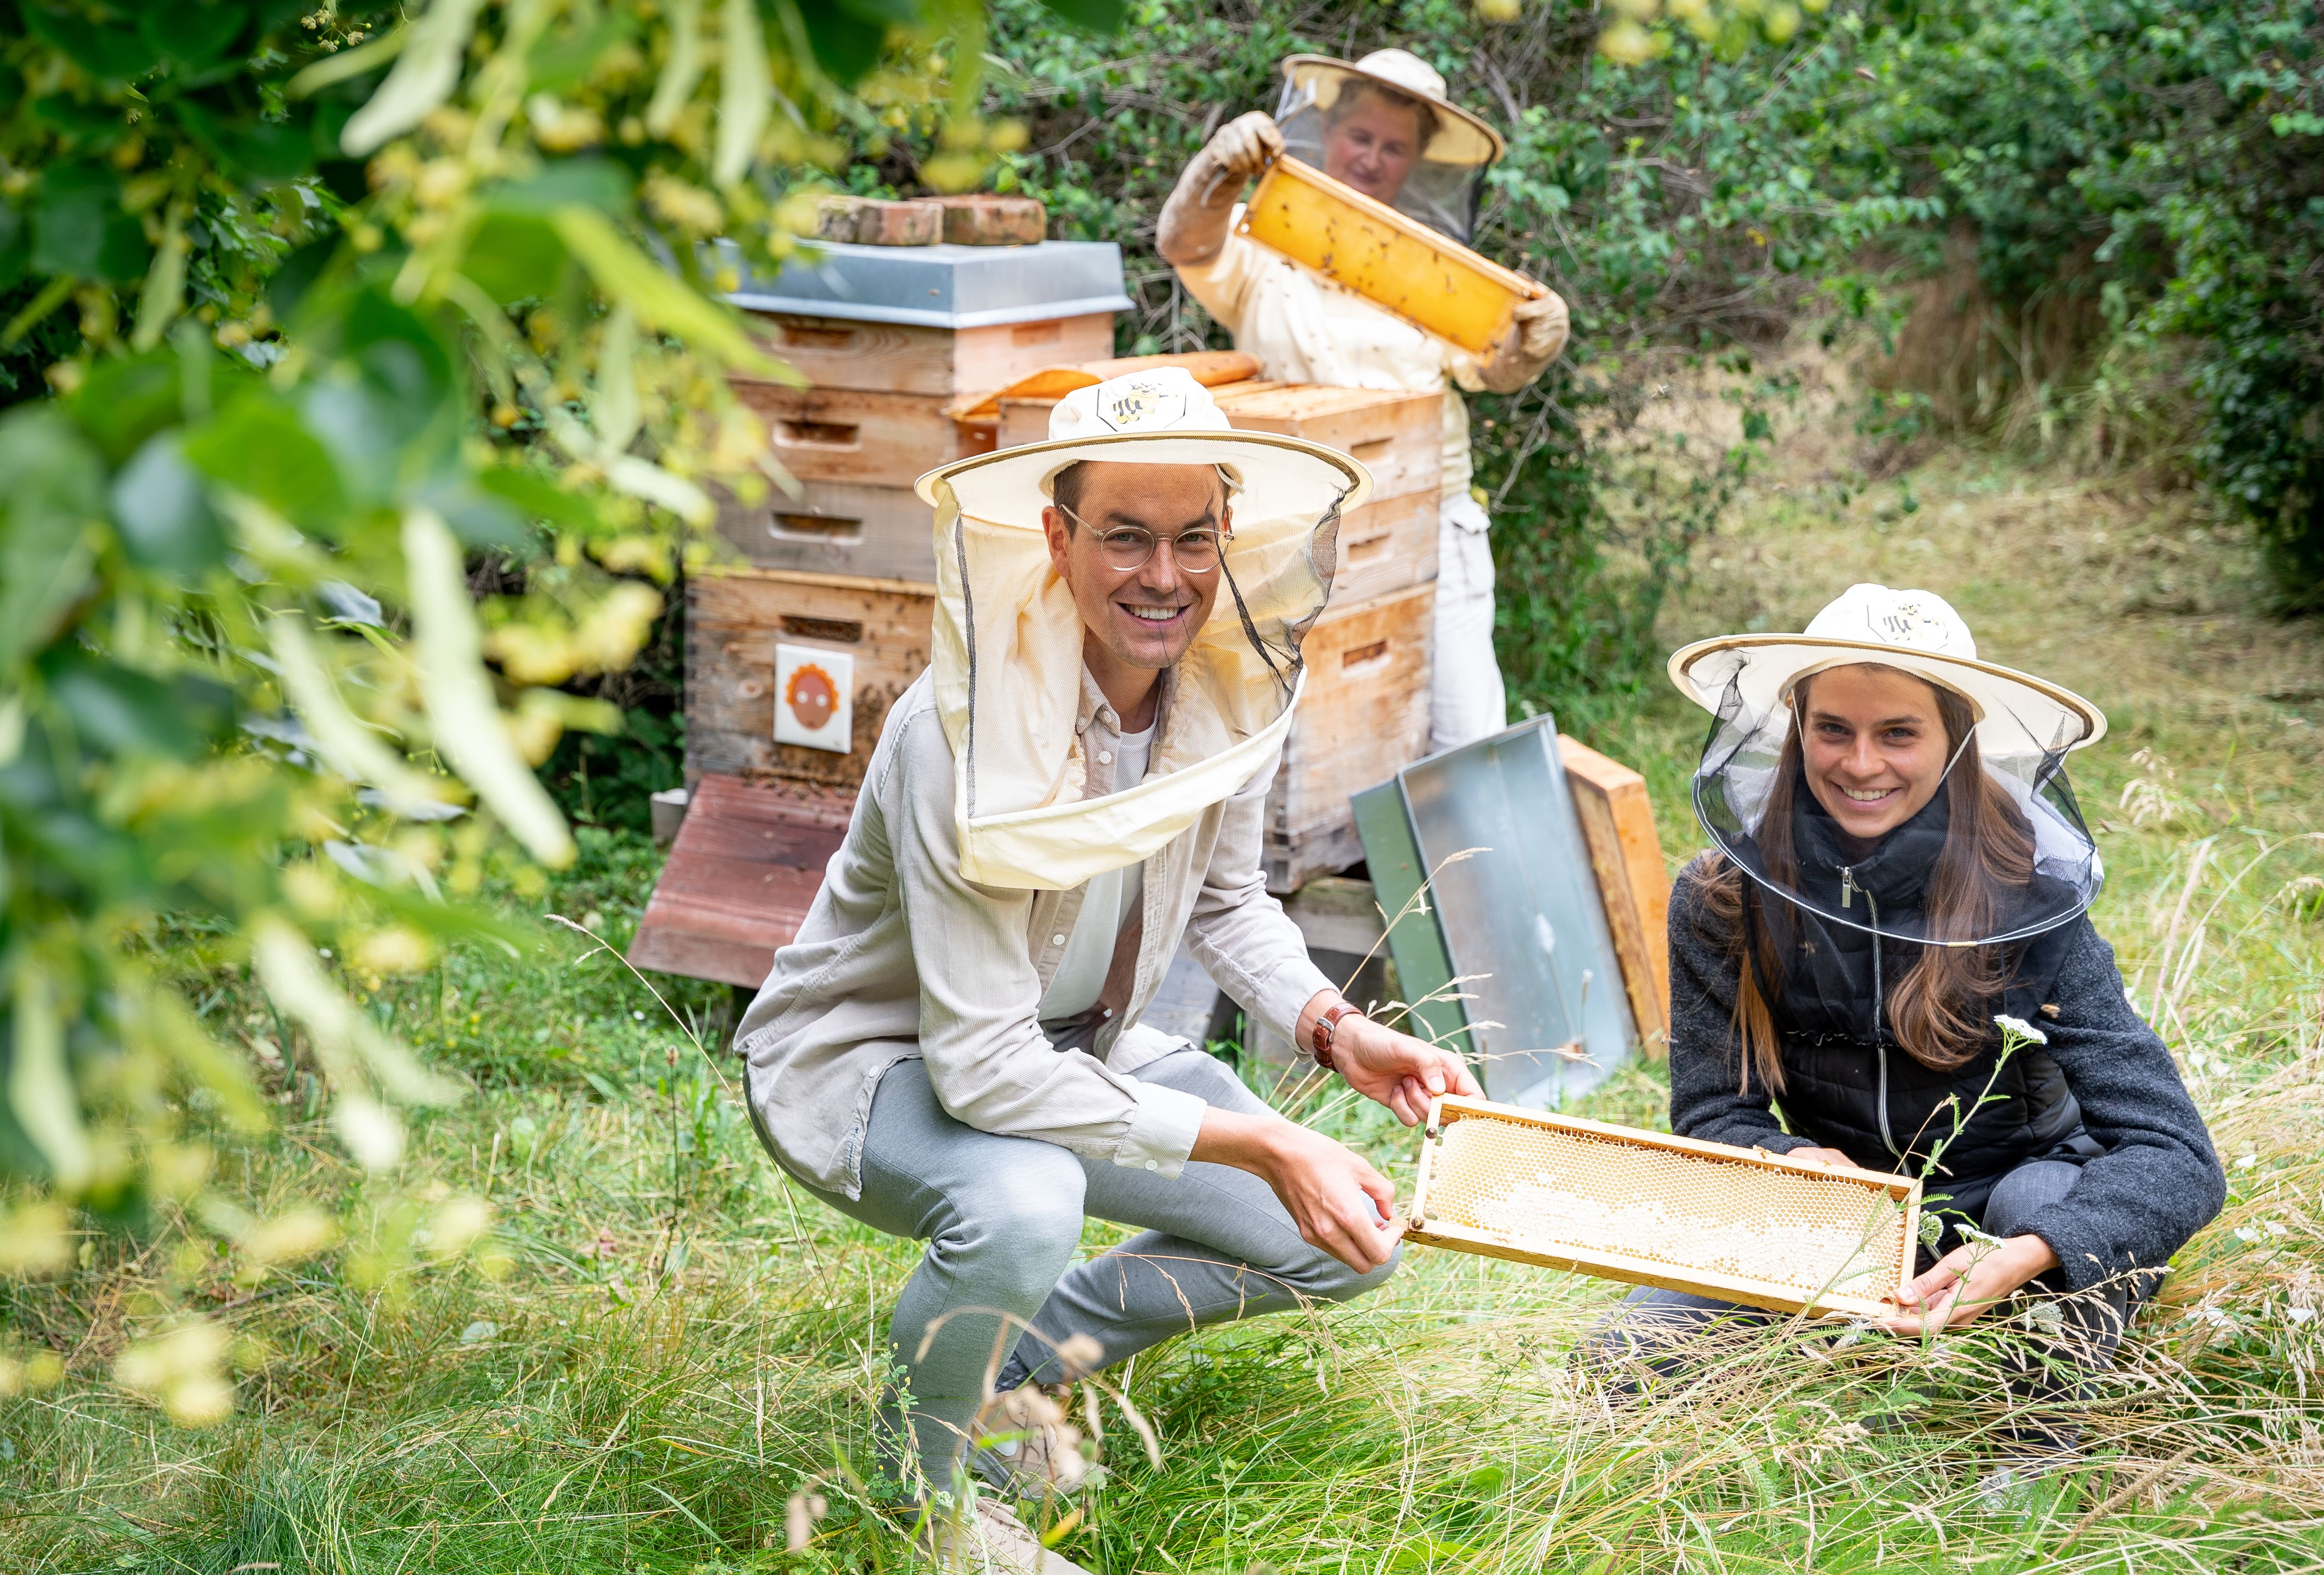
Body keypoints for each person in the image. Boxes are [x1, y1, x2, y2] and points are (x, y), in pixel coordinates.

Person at [733, 368, 1481, 1573]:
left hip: (1078, 1048)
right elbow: (981, 1070)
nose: (1164, 576)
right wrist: (1262, 1141)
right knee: (1028, 1200)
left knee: (1347, 1239)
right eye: (1125, 536)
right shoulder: (961, 732)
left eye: (1194, 538)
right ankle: (919, 1503)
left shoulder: (1226, 688)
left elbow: (1228, 900)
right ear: (1057, 537)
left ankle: (1006, 1376)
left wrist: (1337, 1030)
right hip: (875, 1065)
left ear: (1229, 535)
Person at [1595, 584, 2226, 1454]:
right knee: (1626, 1358)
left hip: (2012, 1213)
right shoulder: (1722, 896)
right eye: (1833, 729)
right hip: (1840, 1224)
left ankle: (2030, 1455)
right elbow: (1712, 1111)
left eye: (1898, 733)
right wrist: (1789, 1160)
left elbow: (2179, 1155)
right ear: (1795, 728)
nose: (1861, 764)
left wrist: (2035, 1247)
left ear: (1955, 739)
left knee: (2038, 1198)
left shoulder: (2033, 904)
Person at [1156, 48, 1572, 752]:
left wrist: (1534, 342)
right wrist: (1216, 171)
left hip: (1428, 520)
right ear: (1326, 130)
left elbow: (1496, 368)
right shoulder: (1266, 239)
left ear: (1419, 163)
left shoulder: (1437, 269)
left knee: (1466, 732)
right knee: (1300, 738)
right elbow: (1186, 245)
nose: (1373, 159)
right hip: (1287, 525)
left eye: (1394, 148)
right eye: (1360, 136)